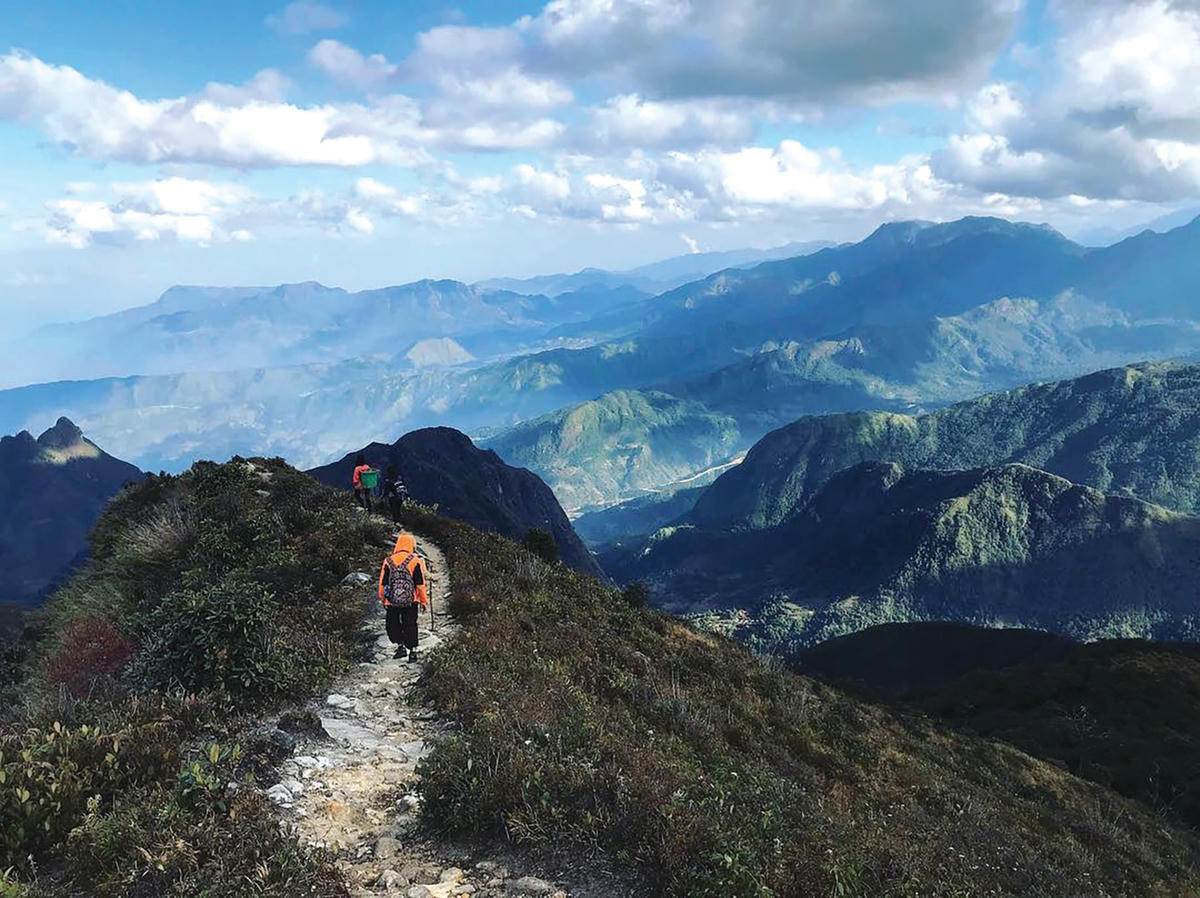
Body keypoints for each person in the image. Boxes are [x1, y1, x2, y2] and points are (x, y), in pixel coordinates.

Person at [377, 532, 428, 660]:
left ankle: (400, 646)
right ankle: (413, 651)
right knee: (410, 623)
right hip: (412, 600)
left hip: (392, 600)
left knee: (393, 624)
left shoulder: (388, 561)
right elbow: (420, 583)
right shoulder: (415, 560)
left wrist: (383, 598)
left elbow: (383, 582)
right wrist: (423, 601)